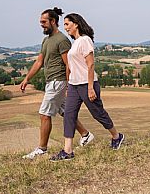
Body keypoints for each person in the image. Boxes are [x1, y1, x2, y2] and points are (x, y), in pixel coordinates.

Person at [20, 8, 95, 159]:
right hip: (51, 82)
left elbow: (69, 64)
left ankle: (42, 148)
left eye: (44, 22)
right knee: (65, 112)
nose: (41, 25)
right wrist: (27, 78)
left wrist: (69, 84)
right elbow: (40, 61)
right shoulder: (47, 40)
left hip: (58, 81)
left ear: (53, 21)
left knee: (44, 114)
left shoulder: (62, 40)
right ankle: (85, 135)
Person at [49, 13, 125, 161]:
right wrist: (68, 84)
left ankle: (117, 136)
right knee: (69, 115)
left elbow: (90, 64)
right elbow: (71, 66)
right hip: (74, 85)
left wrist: (90, 87)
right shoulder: (75, 43)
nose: (65, 28)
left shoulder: (85, 40)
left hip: (87, 84)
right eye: (64, 25)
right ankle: (68, 151)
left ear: (76, 24)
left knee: (98, 113)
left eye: (67, 24)